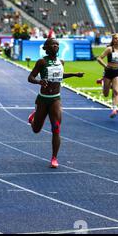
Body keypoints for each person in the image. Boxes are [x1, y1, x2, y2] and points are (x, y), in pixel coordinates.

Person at [27, 38, 84, 168]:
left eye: (57, 44)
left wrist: (75, 74)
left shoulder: (61, 62)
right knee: (36, 130)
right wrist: (39, 81)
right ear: (46, 48)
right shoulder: (41, 62)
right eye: (53, 44)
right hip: (42, 99)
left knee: (56, 128)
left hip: (55, 99)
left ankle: (54, 158)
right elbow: (30, 77)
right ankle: (33, 118)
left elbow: (60, 76)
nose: (56, 46)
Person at [96, 33, 118, 118]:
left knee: (116, 91)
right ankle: (104, 83)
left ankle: (114, 109)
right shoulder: (109, 49)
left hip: (116, 72)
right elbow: (99, 58)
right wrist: (105, 66)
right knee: (106, 94)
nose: (117, 40)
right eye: (115, 38)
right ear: (113, 40)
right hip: (108, 72)